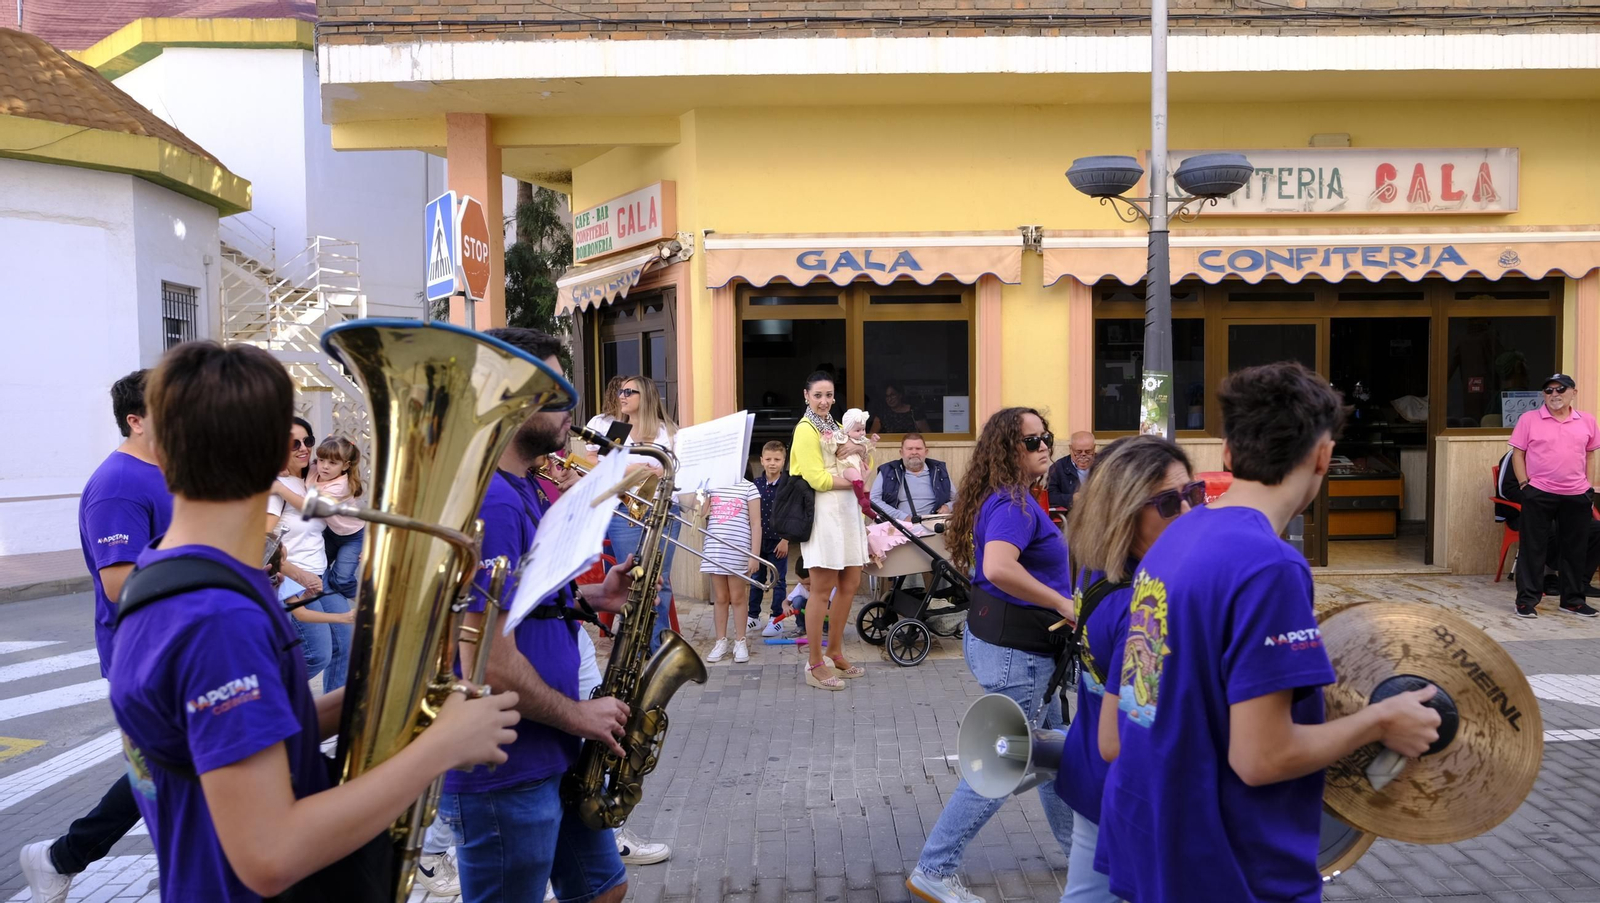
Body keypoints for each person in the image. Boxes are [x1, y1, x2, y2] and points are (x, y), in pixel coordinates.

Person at [107, 340, 520, 902]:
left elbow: (239, 736)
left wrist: (391, 694)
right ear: (278, 455)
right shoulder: (216, 619)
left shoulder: (172, 568)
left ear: (161, 447)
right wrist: (441, 748)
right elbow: (269, 855)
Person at [1096, 361, 1442, 903]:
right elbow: (1262, 759)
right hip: (1228, 865)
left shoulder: (1172, 541)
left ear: (1228, 454)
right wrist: (1381, 719)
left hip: (1151, 840)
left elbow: (1122, 724)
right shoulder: (1270, 565)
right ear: (1324, 456)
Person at [445, 327, 640, 903]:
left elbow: (518, 609)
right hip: (508, 765)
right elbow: (486, 662)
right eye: (554, 391)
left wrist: (589, 599)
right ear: (512, 398)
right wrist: (579, 717)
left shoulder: (525, 484)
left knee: (604, 890)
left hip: (547, 748)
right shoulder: (493, 502)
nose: (571, 406)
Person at [906, 408, 1074, 903]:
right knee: (1007, 762)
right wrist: (1062, 601)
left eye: (1047, 436)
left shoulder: (1009, 498)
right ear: (1008, 450)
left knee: (1053, 754)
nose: (1045, 445)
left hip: (1014, 648)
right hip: (1018, 655)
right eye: (1032, 440)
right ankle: (934, 869)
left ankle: (1084, 853)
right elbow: (1000, 567)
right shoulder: (1014, 506)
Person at [20, 370, 172, 902]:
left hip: (179, 650)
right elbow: (119, 584)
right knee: (159, 773)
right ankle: (61, 856)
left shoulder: (171, 471)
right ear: (136, 420)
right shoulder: (118, 485)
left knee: (168, 770)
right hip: (145, 657)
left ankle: (62, 857)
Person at [1052, 436, 1198, 903]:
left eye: (1194, 493)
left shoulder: (1096, 562)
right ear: (1124, 512)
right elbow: (1124, 738)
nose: (1190, 512)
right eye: (1170, 503)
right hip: (1127, 790)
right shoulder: (1146, 606)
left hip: (1089, 772)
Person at [584, 375, 681, 653]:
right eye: (622, 391)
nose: (621, 396)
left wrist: (659, 471)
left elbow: (678, 468)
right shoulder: (617, 429)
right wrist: (635, 469)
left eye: (629, 392)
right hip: (623, 510)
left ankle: (659, 648)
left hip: (663, 510)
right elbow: (599, 463)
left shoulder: (669, 432)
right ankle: (636, 649)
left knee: (658, 580)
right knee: (633, 580)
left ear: (646, 397)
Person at [790, 371, 870, 691]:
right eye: (818, 395)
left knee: (850, 583)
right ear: (806, 396)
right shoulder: (806, 430)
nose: (824, 401)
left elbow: (863, 460)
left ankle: (835, 650)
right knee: (821, 589)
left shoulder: (838, 427)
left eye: (829, 395)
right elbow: (817, 479)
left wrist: (861, 454)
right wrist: (853, 483)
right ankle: (814, 662)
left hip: (849, 516)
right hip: (823, 516)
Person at [266, 418, 355, 688]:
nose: (303, 448)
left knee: (345, 646)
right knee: (317, 654)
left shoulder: (314, 479)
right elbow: (263, 542)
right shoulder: (275, 488)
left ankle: (333, 723)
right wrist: (298, 574)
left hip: (321, 572)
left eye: (308, 441)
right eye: (293, 443)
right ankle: (263, 702)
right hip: (293, 577)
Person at [1509, 373, 1600, 618]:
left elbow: (1590, 454)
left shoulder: (1588, 421)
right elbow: (1518, 453)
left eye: (1560, 389)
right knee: (1533, 548)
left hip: (1576, 494)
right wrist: (1524, 484)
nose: (1554, 395)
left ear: (1573, 393)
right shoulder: (1530, 419)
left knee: (1575, 549)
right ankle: (1526, 601)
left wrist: (1588, 486)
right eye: (1549, 391)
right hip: (1539, 493)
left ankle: (1572, 601)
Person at [1496, 447, 1600, 598]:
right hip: (1525, 511)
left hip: (1562, 510)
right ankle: (1548, 576)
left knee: (1596, 529)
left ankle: (1580, 582)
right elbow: (1505, 489)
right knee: (1549, 528)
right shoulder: (1515, 455)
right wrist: (1537, 500)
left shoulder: (1561, 453)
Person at [700, 476, 762, 664]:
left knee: (738, 597)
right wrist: (702, 494)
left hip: (738, 548)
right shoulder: (711, 485)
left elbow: (756, 523)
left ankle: (740, 641)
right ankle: (721, 641)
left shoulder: (749, 488)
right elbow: (701, 514)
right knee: (720, 597)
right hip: (715, 548)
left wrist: (754, 555)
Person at [315, 436, 366, 604]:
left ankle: (369, 603)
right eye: (321, 460)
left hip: (353, 536)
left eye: (333, 463)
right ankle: (330, 601)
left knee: (341, 580)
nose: (325, 466)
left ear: (345, 466)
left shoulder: (340, 486)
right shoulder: (315, 470)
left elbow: (311, 504)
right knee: (319, 568)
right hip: (332, 532)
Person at [749, 441, 792, 638]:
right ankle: (753, 616)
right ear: (761, 461)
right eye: (768, 459)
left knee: (779, 580)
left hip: (779, 542)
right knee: (756, 578)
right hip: (759, 541)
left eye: (777, 459)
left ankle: (777, 619)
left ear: (784, 461)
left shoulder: (788, 485)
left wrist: (786, 539)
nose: (772, 463)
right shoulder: (755, 485)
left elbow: (793, 515)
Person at [869, 433, 953, 521]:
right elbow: (873, 500)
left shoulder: (939, 470)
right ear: (901, 452)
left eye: (918, 449)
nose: (914, 452)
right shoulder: (888, 470)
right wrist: (901, 516)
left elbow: (959, 499)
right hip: (899, 527)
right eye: (909, 449)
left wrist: (948, 507)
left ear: (926, 452)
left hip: (934, 525)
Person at [829, 407, 878, 516]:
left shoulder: (862, 441)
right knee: (857, 479)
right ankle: (861, 500)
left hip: (859, 466)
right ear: (847, 430)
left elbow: (869, 448)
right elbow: (831, 447)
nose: (861, 433)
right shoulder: (841, 437)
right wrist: (828, 439)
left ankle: (866, 508)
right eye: (857, 430)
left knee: (866, 487)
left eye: (863, 430)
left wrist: (873, 441)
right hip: (847, 466)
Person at [1045, 431, 1097, 514]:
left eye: (1088, 451)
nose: (1083, 455)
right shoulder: (1058, 467)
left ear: (1094, 448)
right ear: (1070, 449)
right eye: (1078, 452)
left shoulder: (1104, 463)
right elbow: (1050, 496)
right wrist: (1071, 499)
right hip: (1070, 517)